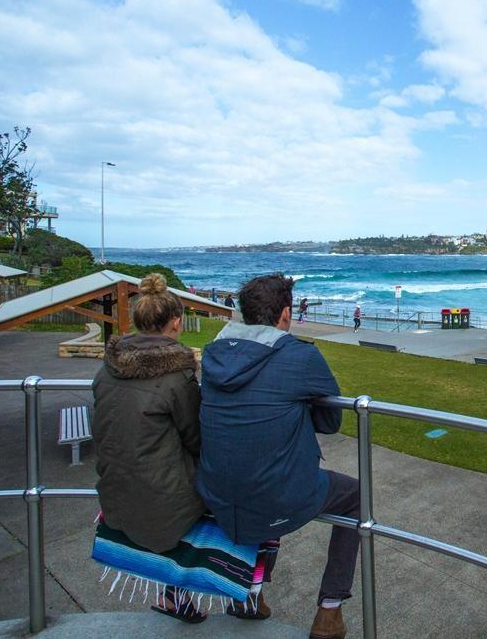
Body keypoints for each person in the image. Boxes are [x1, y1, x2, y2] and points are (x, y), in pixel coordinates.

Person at [198, 273, 357, 639]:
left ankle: (247, 593)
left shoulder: (213, 354)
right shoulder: (300, 355)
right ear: (285, 314)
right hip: (272, 493)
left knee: (265, 468)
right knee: (354, 498)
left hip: (216, 491)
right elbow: (331, 421)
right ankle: (329, 612)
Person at [92, 273, 208, 621]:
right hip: (160, 503)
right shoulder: (177, 375)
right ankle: (230, 592)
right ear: (176, 322)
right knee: (225, 489)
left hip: (114, 488)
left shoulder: (109, 366)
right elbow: (197, 437)